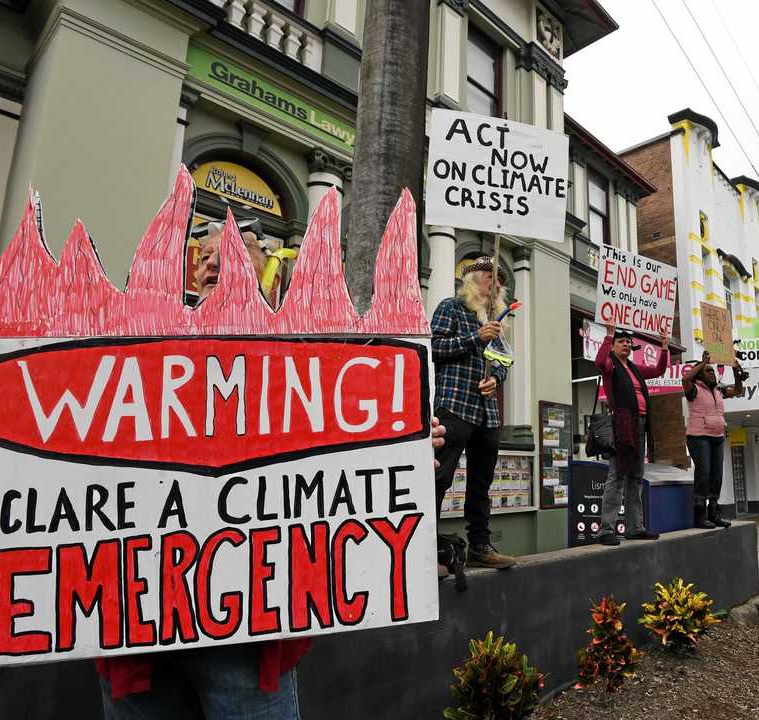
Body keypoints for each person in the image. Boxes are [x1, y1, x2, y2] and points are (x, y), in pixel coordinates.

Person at [100, 235, 447, 718]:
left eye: (238, 252)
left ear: (272, 277)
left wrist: (402, 447)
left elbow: (343, 454)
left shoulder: (308, 363)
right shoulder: (125, 343)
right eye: (204, 254)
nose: (214, 259)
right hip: (133, 637)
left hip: (246, 643)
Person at [431, 256, 517, 570]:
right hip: (454, 405)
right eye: (490, 277)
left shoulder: (496, 322)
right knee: (439, 478)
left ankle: (480, 546)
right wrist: (474, 339)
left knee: (482, 483)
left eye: (500, 281)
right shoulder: (451, 307)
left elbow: (504, 362)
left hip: (487, 414)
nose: (496, 284)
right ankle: (424, 546)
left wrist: (496, 379)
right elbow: (433, 349)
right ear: (471, 279)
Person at [594, 322, 670, 545]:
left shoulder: (634, 369)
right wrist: (608, 335)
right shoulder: (611, 366)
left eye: (628, 342)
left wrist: (664, 346)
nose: (626, 344)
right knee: (616, 476)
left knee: (636, 477)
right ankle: (606, 529)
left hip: (640, 426)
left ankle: (635, 527)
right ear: (613, 347)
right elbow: (599, 361)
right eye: (621, 342)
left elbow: (658, 370)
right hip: (622, 426)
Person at [682, 350, 746, 529]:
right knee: (703, 473)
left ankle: (714, 513)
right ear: (700, 372)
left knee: (716, 475)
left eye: (712, 370)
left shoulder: (718, 390)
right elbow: (685, 379)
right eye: (708, 371)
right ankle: (699, 515)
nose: (712, 373)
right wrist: (702, 363)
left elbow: (738, 390)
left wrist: (736, 371)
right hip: (698, 436)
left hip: (717, 437)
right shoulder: (693, 389)